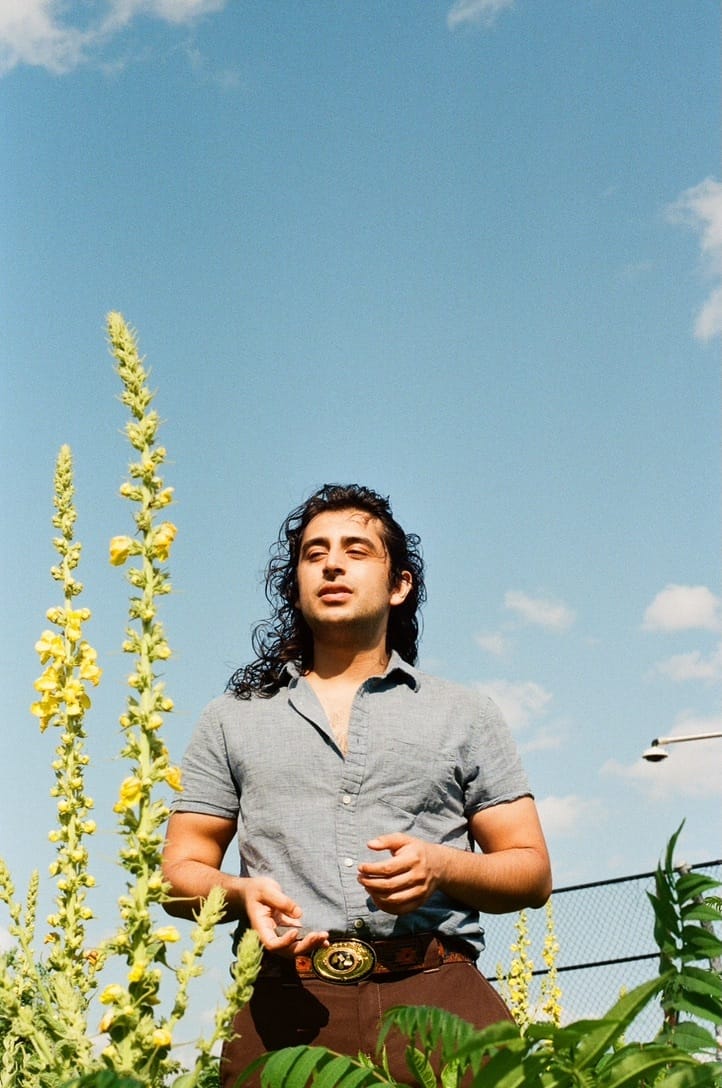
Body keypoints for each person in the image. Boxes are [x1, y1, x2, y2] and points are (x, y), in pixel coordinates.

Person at [161, 484, 551, 1086]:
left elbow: (531, 872)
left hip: (440, 999)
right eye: (314, 555)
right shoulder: (231, 718)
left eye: (356, 551)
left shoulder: (465, 713)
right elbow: (178, 873)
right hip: (285, 1008)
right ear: (295, 585)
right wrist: (240, 894)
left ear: (400, 585)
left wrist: (442, 867)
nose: (332, 564)